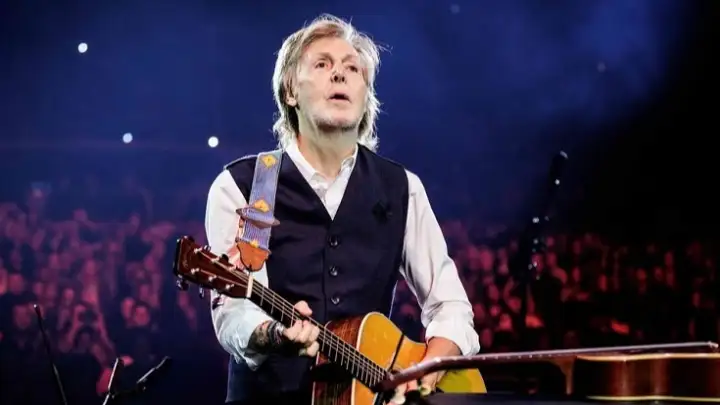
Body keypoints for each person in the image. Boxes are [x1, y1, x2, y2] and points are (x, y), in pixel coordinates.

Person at [205, 14, 479, 405]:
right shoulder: (244, 187)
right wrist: (275, 335)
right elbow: (234, 314)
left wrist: (426, 369)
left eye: (353, 68)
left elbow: (449, 303)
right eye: (322, 64)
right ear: (290, 91)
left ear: (366, 97)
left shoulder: (403, 188)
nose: (340, 74)